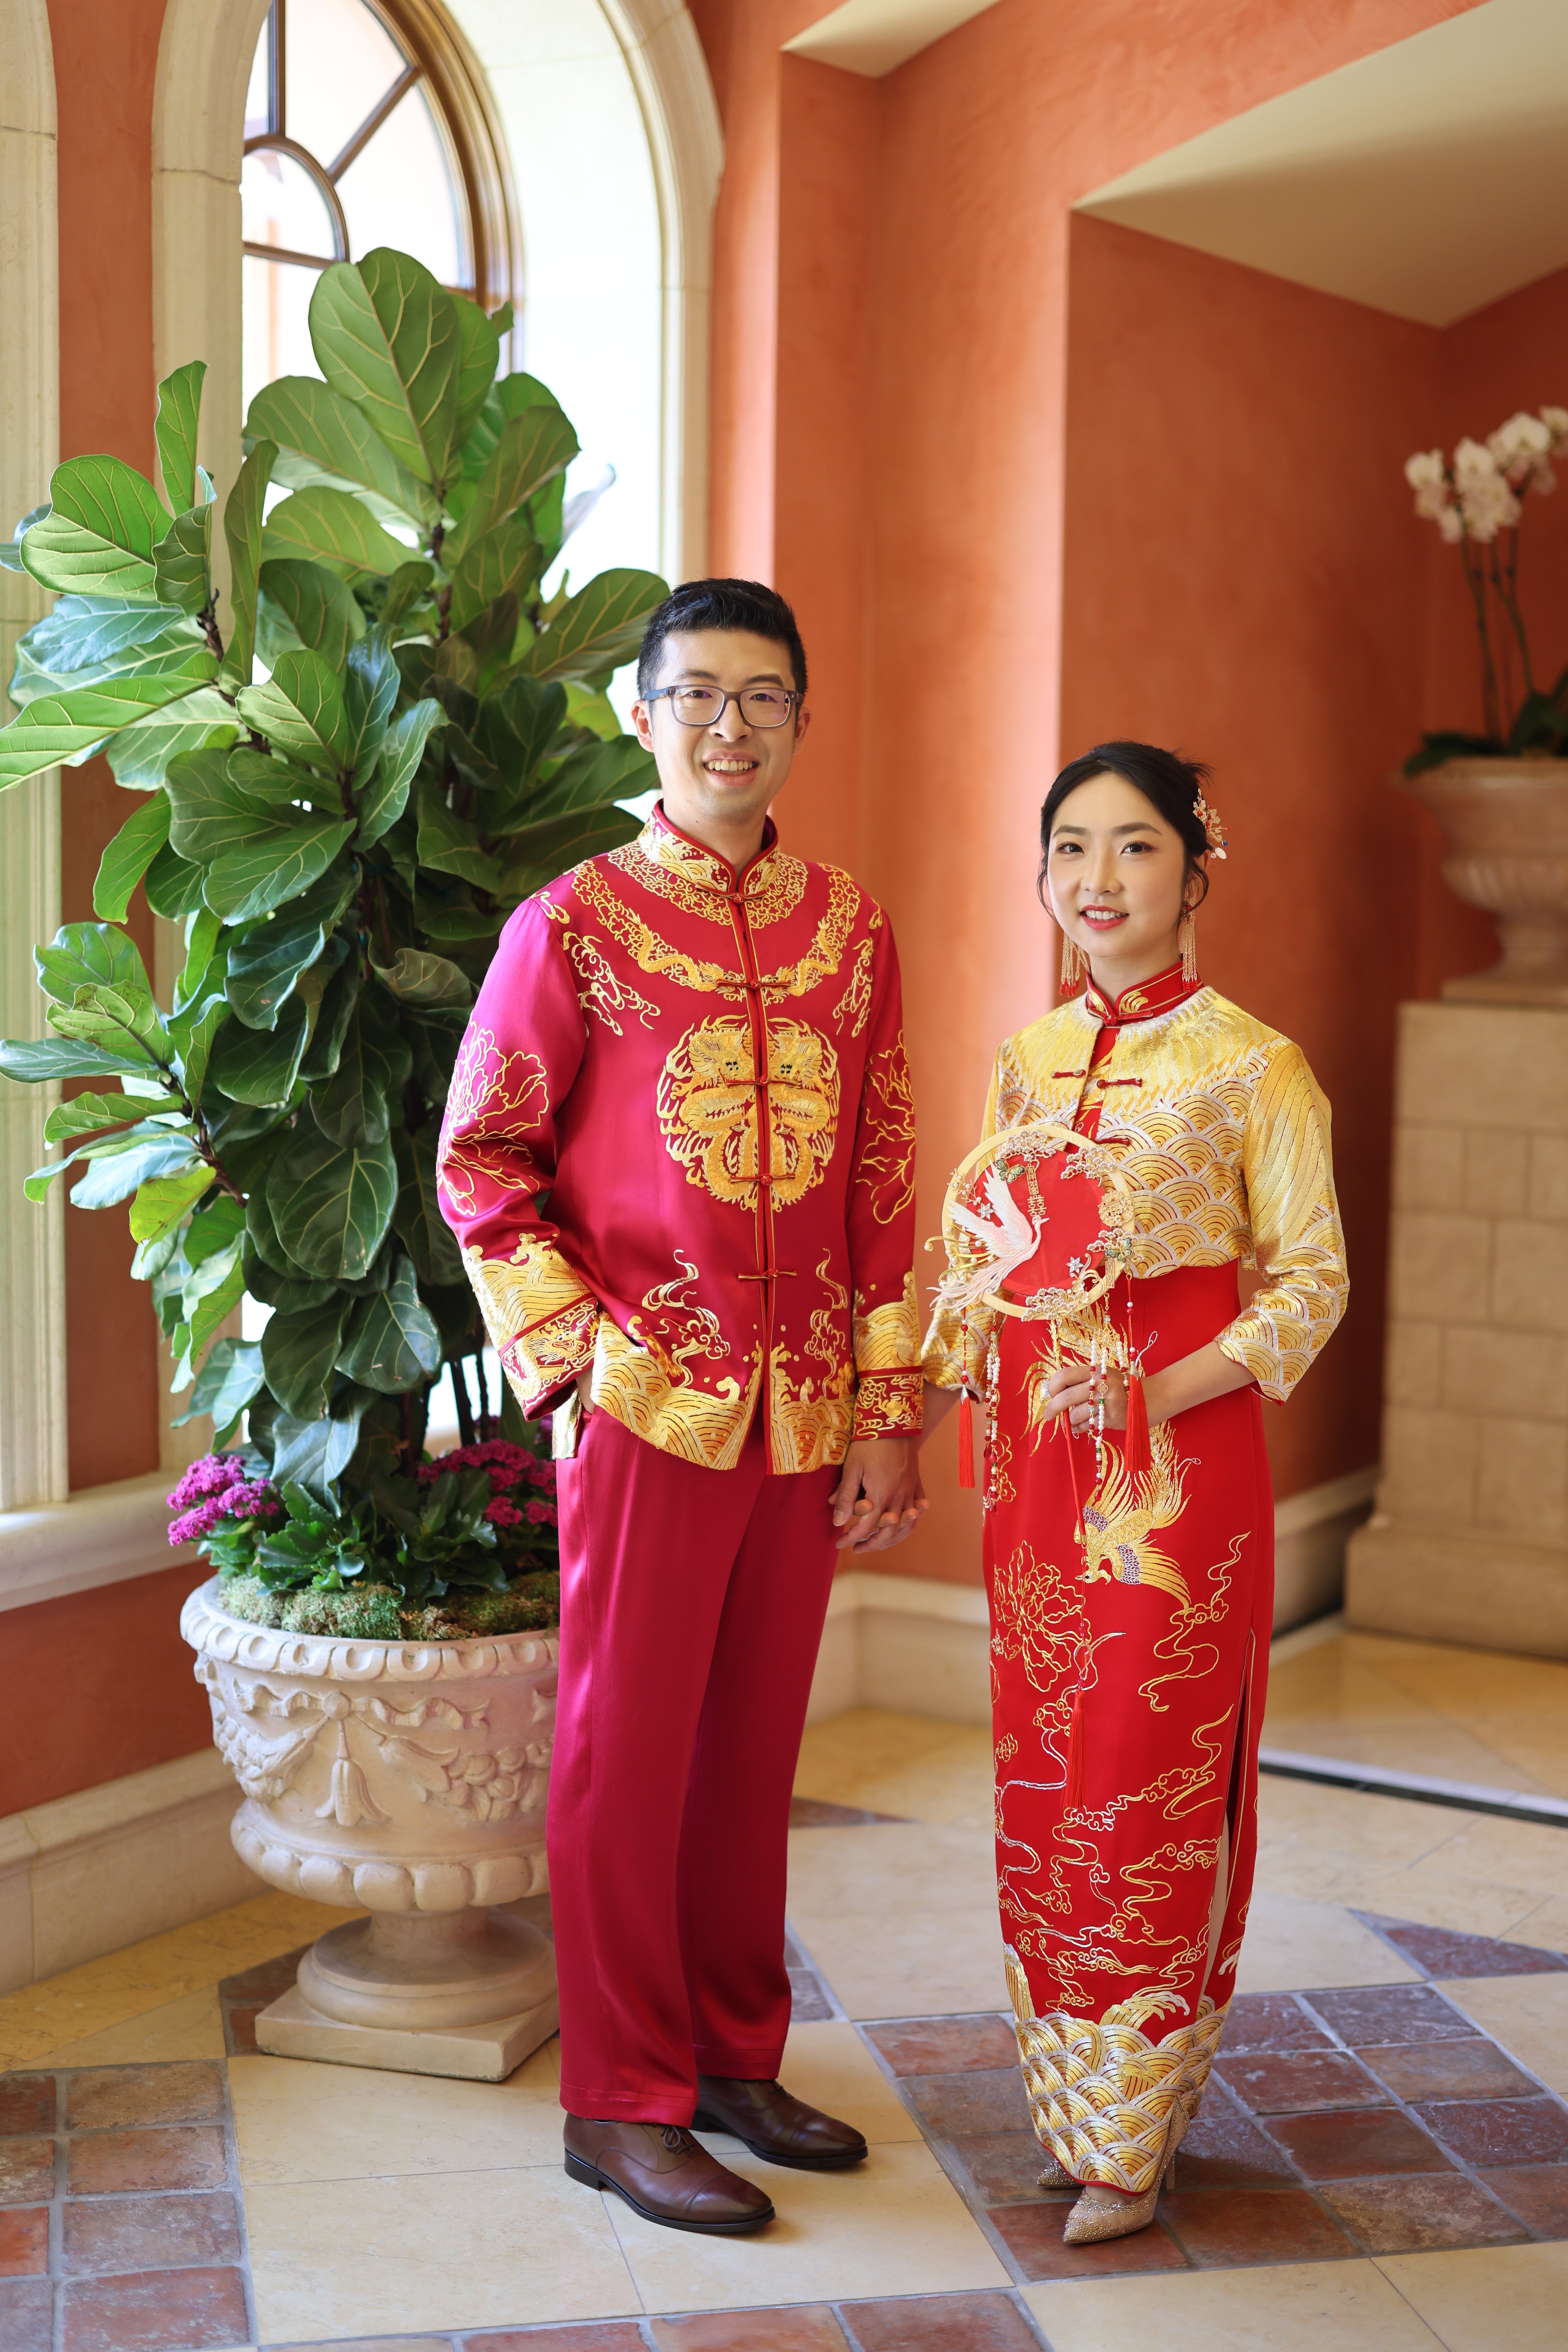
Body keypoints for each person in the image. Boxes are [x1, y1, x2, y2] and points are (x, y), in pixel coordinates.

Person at [438, 577, 925, 2235]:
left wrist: (888, 1406)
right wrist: (580, 1364)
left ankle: (729, 2056)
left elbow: (879, 1178)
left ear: (798, 719)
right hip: (645, 1406)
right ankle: (620, 2101)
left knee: (743, 1753)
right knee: (622, 1755)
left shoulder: (851, 929)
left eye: (763, 695)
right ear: (643, 718)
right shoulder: (568, 924)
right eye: (697, 693)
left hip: (803, 1418)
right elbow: (482, 1166)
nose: (731, 723)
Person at [921, 743, 1347, 2246]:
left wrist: (1158, 1392)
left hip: (1177, 1479)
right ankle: (1077, 2106)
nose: (1097, 882)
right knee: (1045, 1773)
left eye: (1135, 849)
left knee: (1145, 1777)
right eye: (1070, 851)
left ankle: (1137, 2137)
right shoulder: (1027, 1062)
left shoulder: (1255, 1065)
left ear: (1194, 871)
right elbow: (999, 1258)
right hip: (1038, 1471)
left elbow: (1311, 1289)